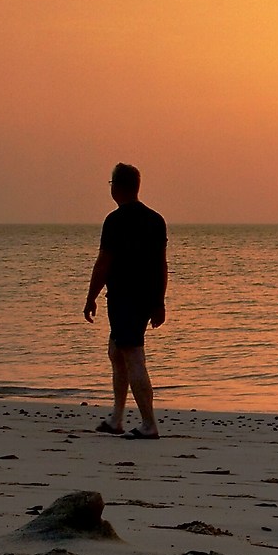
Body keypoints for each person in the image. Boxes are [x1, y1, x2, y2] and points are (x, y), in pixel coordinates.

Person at [83, 162, 168, 438]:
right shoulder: (155, 220)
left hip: (125, 297)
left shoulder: (115, 221)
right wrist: (159, 301)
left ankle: (149, 423)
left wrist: (90, 297)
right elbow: (161, 265)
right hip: (144, 297)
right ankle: (117, 418)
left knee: (132, 356)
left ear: (117, 188)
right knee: (116, 351)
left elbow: (104, 262)